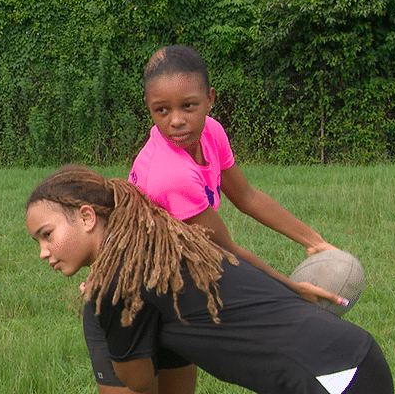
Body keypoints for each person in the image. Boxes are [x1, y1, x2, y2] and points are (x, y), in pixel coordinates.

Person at [85, 45, 350, 393]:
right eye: (161, 110)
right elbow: (228, 253)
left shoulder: (211, 133)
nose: (176, 120)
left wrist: (314, 241)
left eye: (188, 106)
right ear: (148, 108)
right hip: (125, 302)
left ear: (210, 99)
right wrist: (292, 288)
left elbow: (248, 197)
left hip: (172, 295)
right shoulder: (171, 175)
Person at [26, 165, 394, 394]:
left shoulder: (121, 284)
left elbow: (137, 383)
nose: (43, 251)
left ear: (88, 217)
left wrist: (105, 321)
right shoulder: (164, 238)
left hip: (335, 378)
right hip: (355, 354)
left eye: (47, 234)